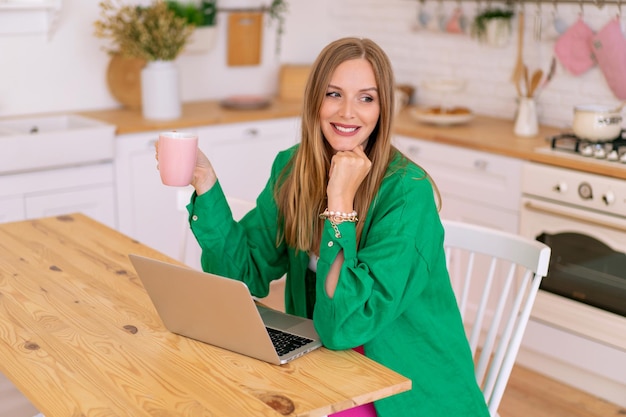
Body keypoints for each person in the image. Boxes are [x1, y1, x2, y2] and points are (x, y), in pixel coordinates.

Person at [161, 37, 489, 417]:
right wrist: (206, 183)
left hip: (402, 384)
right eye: (334, 94)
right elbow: (242, 274)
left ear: (383, 109)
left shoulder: (407, 194)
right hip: (323, 363)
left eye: (366, 98)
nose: (348, 112)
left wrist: (339, 203)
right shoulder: (292, 168)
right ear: (315, 99)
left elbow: (344, 328)